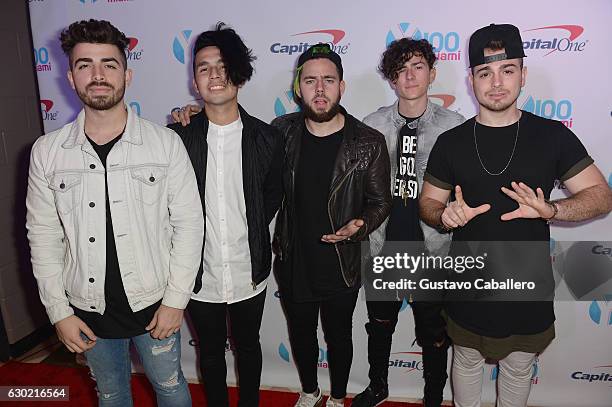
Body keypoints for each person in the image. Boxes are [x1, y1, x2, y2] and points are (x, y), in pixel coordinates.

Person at [419, 23, 612, 407]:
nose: (496, 82)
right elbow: (428, 203)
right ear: (471, 79)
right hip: (467, 284)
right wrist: (446, 216)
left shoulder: (552, 136)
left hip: (527, 288)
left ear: (523, 75)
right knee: (467, 361)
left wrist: (553, 209)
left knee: (518, 369)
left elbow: (601, 196)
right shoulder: (450, 142)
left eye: (507, 70)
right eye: (484, 72)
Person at [26, 19, 204, 406]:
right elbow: (42, 236)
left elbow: (189, 224)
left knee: (171, 387)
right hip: (85, 307)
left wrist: (176, 300)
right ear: (70, 78)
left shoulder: (165, 143)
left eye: (109, 63)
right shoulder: (47, 152)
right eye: (84, 64)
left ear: (127, 73)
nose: (98, 74)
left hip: (155, 303)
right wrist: (58, 312)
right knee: (110, 393)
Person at [167, 23, 283, 407]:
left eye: (223, 65)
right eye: (204, 67)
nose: (214, 74)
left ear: (239, 73)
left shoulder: (267, 139)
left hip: (250, 269)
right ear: (195, 82)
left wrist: (247, 229)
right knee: (210, 353)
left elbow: (272, 195)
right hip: (198, 275)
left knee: (249, 348)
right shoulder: (176, 139)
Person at [271, 43, 391, 407]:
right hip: (294, 256)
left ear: (341, 86)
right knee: (302, 334)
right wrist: (198, 115)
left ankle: (338, 397)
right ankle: (310, 391)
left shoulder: (368, 142)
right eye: (310, 81)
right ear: (298, 88)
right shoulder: (282, 132)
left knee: (339, 336)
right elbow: (239, 136)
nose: (319, 89)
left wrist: (361, 224)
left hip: (342, 260)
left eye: (328, 80)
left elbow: (381, 202)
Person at [353, 38, 465, 407]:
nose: (410, 75)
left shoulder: (455, 127)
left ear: (432, 73)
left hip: (434, 247)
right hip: (385, 242)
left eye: (417, 66)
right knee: (380, 323)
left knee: (433, 330)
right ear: (391, 79)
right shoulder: (372, 125)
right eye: (401, 69)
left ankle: (433, 394)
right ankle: (378, 385)